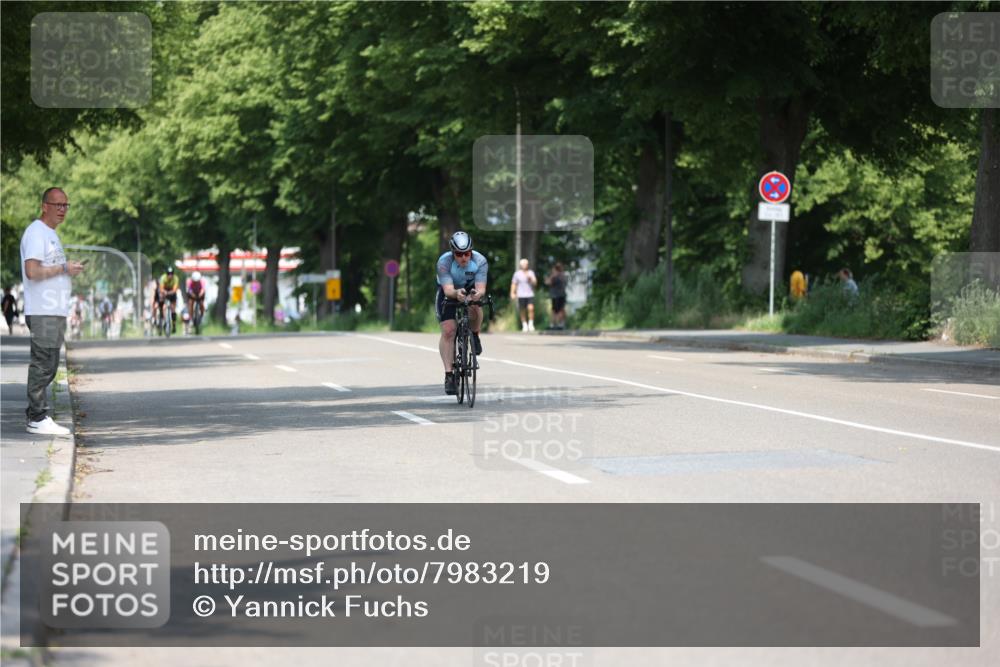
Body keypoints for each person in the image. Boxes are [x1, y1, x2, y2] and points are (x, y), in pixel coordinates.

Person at [19, 187, 85, 436]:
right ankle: (37, 417)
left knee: (50, 362)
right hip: (42, 309)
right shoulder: (37, 233)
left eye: (65, 205)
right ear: (44, 205)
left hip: (52, 309)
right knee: (43, 364)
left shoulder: (50, 234)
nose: (62, 210)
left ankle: (36, 414)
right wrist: (63, 268)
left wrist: (67, 270)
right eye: (57, 204)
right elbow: (33, 271)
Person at [436, 230, 488, 395]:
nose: (464, 257)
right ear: (453, 253)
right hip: (449, 291)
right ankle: (449, 375)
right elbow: (449, 290)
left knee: (476, 306)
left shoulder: (480, 261)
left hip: (470, 289)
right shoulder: (444, 262)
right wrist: (456, 295)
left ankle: (475, 334)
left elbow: (481, 289)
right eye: (459, 254)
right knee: (449, 330)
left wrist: (476, 295)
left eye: (467, 253)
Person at [510, 258, 537, 332]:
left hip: (530, 294)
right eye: (524, 264)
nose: (525, 265)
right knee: (522, 310)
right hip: (521, 295)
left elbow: (535, 283)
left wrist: (531, 279)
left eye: (526, 264)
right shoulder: (517, 274)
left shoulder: (531, 273)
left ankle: (531, 324)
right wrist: (512, 293)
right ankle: (524, 324)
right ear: (521, 265)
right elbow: (514, 284)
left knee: (531, 308)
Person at [544, 262, 568, 330]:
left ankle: (559, 324)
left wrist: (553, 276)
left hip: (559, 295)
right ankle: (554, 324)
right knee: (555, 310)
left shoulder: (560, 276)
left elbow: (548, 282)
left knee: (559, 310)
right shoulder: (560, 275)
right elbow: (547, 282)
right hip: (556, 295)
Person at [158, 266, 180, 333]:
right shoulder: (163, 278)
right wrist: (164, 292)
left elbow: (175, 289)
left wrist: (171, 292)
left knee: (173, 308)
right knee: (163, 306)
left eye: (171, 274)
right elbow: (161, 288)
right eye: (168, 274)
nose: (170, 275)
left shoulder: (176, 278)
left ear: (173, 274)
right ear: (166, 274)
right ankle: (165, 320)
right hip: (165, 291)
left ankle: (173, 324)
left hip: (172, 292)